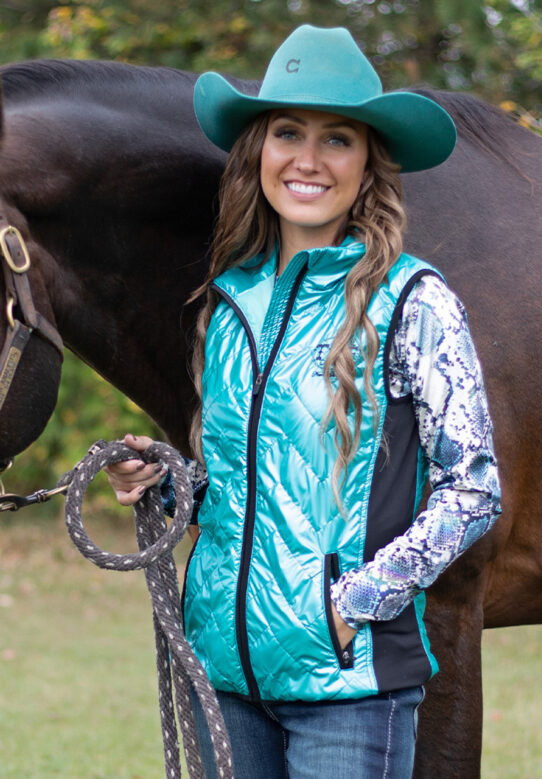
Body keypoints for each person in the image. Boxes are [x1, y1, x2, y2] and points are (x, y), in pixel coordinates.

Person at [106, 24, 501, 778]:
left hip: (348, 687)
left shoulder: (413, 301)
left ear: (368, 163)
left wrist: (354, 603)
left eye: (338, 139)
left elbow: (475, 486)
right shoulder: (228, 304)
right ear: (259, 151)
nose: (309, 160)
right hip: (223, 675)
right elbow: (237, 484)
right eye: (288, 132)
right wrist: (164, 486)